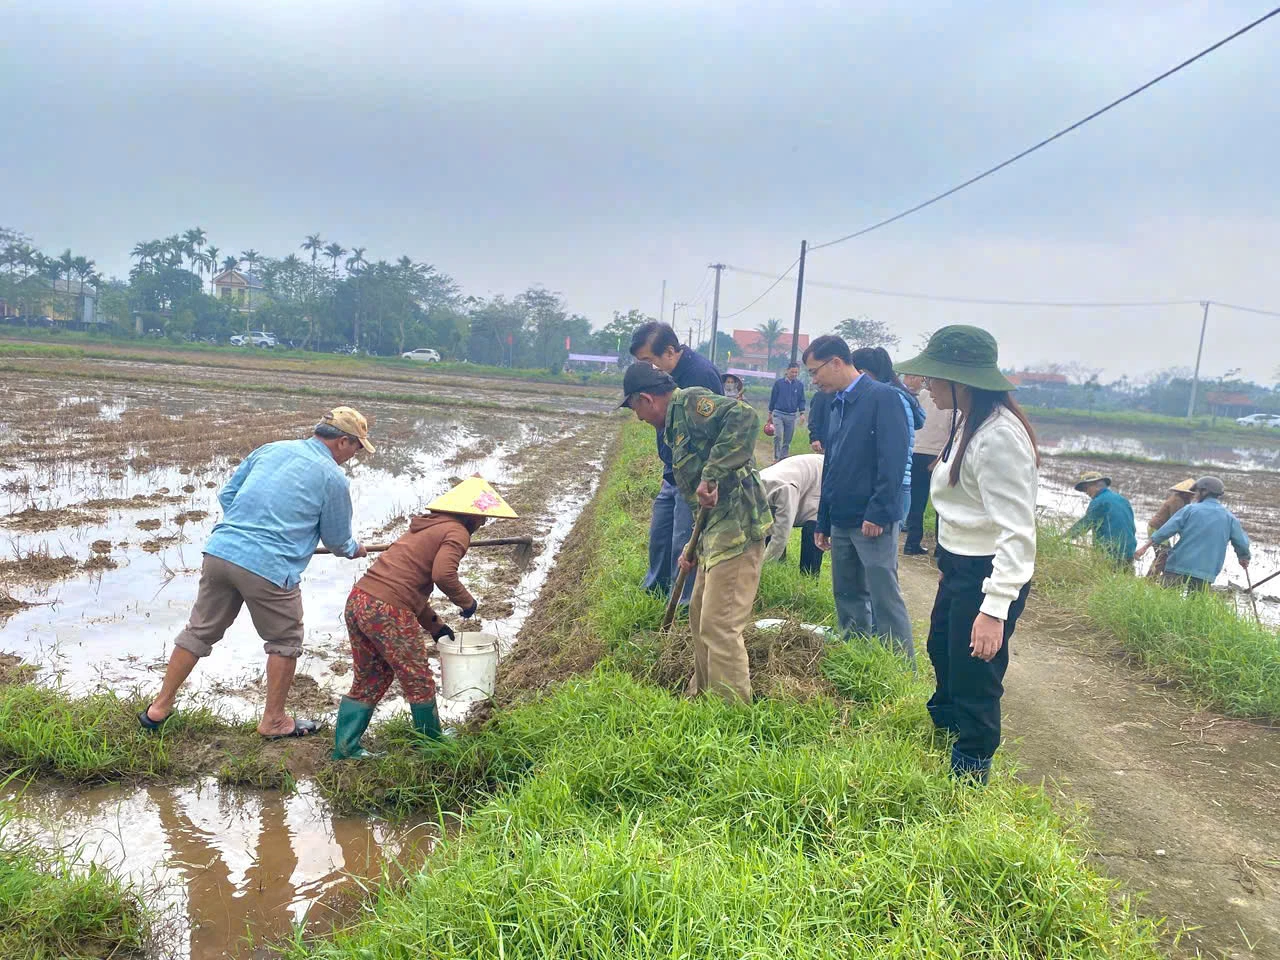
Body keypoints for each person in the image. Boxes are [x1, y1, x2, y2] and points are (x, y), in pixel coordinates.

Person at [139, 407, 373, 739]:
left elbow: (228, 495)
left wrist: (249, 525)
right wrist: (353, 549)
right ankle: (274, 721)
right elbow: (337, 539)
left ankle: (158, 708)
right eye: (357, 447)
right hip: (269, 567)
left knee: (199, 631)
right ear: (343, 442)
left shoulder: (271, 449)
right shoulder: (333, 478)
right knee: (285, 641)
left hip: (221, 552)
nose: (355, 454)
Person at [897, 326, 1039, 783]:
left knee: (976, 672)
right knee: (941, 648)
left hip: (986, 571)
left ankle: (969, 773)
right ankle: (945, 732)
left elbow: (1017, 534)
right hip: (959, 565)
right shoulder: (967, 421)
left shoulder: (999, 437)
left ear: (961, 381)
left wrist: (994, 609)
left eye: (933, 378)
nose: (928, 386)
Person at [333, 476, 518, 759]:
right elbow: (443, 574)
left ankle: (346, 749)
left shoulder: (425, 527)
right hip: (388, 610)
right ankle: (432, 744)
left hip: (360, 601)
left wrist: (436, 627)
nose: (483, 523)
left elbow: (406, 587)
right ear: (470, 515)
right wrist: (467, 602)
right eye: (482, 517)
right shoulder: (457, 531)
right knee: (418, 678)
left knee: (371, 676)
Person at [620, 362, 770, 703]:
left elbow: (745, 417)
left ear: (647, 399)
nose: (638, 418)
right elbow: (698, 500)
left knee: (720, 624)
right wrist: (693, 546)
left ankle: (731, 712)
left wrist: (712, 474)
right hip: (714, 530)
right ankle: (701, 697)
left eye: (635, 408)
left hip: (737, 528)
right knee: (700, 615)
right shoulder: (673, 425)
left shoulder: (690, 402)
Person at [804, 335, 913, 657]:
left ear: (836, 362)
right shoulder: (836, 403)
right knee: (847, 593)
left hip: (870, 519)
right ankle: (857, 656)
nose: (814, 380)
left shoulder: (883, 398)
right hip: (841, 516)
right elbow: (832, 464)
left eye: (815, 371)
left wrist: (878, 511)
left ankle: (899, 667)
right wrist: (823, 518)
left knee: (883, 596)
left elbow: (892, 461)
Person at [629, 322, 723, 606]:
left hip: (693, 477)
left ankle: (682, 604)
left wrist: (705, 478)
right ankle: (654, 593)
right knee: (660, 536)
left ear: (669, 352)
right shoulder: (661, 378)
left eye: (649, 361)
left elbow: (715, 433)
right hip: (671, 472)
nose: (647, 368)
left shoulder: (700, 376)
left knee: (684, 542)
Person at [850, 346, 925, 527]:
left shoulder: (889, 398)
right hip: (890, 485)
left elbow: (892, 454)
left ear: (863, 373)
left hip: (891, 487)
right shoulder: (891, 395)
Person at [1136, 476, 1250, 591]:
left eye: (1197, 492)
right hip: (1206, 571)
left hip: (1178, 566)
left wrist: (1144, 547)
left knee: (1165, 598)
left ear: (1204, 492)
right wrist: (1243, 557)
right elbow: (1242, 543)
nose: (1195, 495)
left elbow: (1166, 530)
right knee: (1196, 600)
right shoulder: (1230, 518)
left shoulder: (1189, 510)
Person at [901, 374, 948, 555]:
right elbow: (955, 430)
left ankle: (912, 543)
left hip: (917, 451)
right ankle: (940, 548)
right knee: (941, 504)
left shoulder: (918, 396)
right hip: (939, 454)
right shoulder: (951, 400)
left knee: (916, 501)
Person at [760, 453, 825, 576]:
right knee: (769, 522)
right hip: (802, 475)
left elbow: (782, 532)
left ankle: (808, 577)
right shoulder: (753, 485)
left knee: (814, 525)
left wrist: (762, 568)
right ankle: (778, 568)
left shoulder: (782, 488)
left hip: (823, 477)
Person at [1067, 472, 1137, 568]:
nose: (1086, 492)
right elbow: (1132, 527)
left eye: (1086, 488)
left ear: (1095, 485)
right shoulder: (1123, 500)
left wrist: (1063, 538)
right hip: (1129, 550)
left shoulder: (1098, 502)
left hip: (1110, 552)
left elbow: (1084, 525)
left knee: (1098, 576)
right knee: (1125, 576)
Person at [1145, 478, 1196, 579]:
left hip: (1158, 530)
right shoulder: (1177, 501)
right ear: (1185, 494)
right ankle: (1150, 578)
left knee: (1163, 554)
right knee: (1163, 554)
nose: (1193, 496)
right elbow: (1177, 520)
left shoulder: (1183, 501)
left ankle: (1154, 578)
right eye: (1192, 494)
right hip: (1156, 529)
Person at [767, 362, 806, 461]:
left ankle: (783, 458)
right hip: (778, 413)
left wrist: (802, 413)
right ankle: (776, 458)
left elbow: (801, 400)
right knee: (778, 435)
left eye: (796, 372)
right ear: (787, 371)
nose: (794, 374)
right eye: (792, 372)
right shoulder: (779, 383)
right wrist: (770, 412)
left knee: (788, 439)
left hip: (791, 415)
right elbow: (773, 398)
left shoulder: (799, 385)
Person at [808, 389, 831, 453]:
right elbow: (814, 418)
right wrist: (815, 438)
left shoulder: (845, 396)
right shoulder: (821, 395)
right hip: (824, 444)